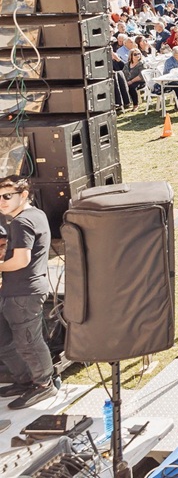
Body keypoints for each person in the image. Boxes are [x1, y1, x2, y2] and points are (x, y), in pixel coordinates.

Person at [0, 175, 58, 409]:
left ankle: (44, 385)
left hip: (24, 293)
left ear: (23, 195)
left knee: (28, 343)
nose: (2, 201)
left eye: (7, 196)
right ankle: (25, 381)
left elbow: (21, 260)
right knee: (6, 340)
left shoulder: (21, 222)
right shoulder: (36, 214)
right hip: (16, 291)